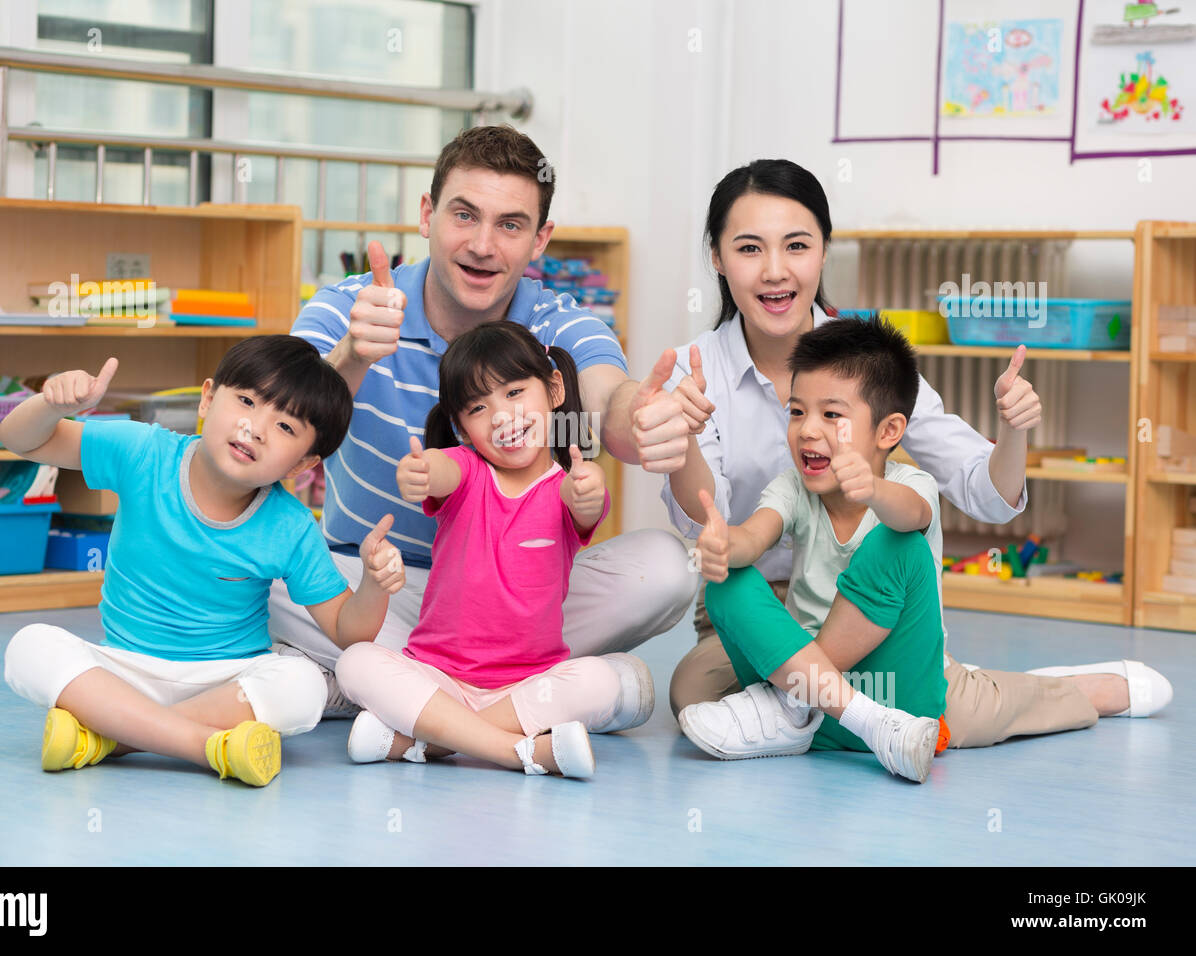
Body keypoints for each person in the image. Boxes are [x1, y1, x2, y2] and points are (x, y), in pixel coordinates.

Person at [663, 159, 1171, 751]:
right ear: (718, 259)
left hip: (868, 611)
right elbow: (709, 522)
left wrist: (1013, 431)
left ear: (823, 251)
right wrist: (683, 442)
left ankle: (810, 703)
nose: (775, 271)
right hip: (761, 618)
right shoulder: (691, 374)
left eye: (796, 245)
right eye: (749, 248)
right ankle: (835, 703)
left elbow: (985, 493)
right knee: (692, 693)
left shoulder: (870, 363)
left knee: (964, 714)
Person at [270, 123, 697, 719]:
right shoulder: (349, 306)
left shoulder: (560, 326)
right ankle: (524, 697)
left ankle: (395, 691)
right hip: (375, 584)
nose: (483, 245)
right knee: (263, 573)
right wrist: (350, 356)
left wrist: (643, 417)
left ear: (540, 240)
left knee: (668, 568)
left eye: (511, 225)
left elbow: (608, 399)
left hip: (519, 600)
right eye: (465, 216)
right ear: (427, 214)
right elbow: (278, 429)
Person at [1, 336, 405, 787]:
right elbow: (21, 441)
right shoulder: (142, 452)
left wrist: (373, 582)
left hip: (227, 682)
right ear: (208, 398)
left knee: (304, 685)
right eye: (247, 401)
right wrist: (51, 406)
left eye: (286, 427)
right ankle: (202, 746)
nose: (255, 429)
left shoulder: (290, 525)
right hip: (124, 669)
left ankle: (108, 739)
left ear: (303, 464)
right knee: (29, 646)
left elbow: (349, 632)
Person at [336, 322, 632, 778]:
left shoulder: (570, 487)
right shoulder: (467, 469)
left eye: (515, 393)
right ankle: (522, 752)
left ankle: (423, 743)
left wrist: (589, 491)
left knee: (603, 682)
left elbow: (586, 504)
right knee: (356, 662)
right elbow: (437, 470)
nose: (502, 417)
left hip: (528, 687)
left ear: (554, 389)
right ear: (460, 425)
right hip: (437, 678)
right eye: (479, 407)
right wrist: (417, 471)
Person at [685, 317, 957, 782]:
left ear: (889, 430)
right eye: (796, 412)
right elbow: (755, 535)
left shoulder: (911, 486)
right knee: (727, 581)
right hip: (819, 708)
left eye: (831, 415)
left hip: (896, 702)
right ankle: (807, 708)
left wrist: (871, 489)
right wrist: (722, 546)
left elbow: (910, 515)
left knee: (899, 544)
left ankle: (795, 706)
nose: (808, 430)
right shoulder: (794, 487)